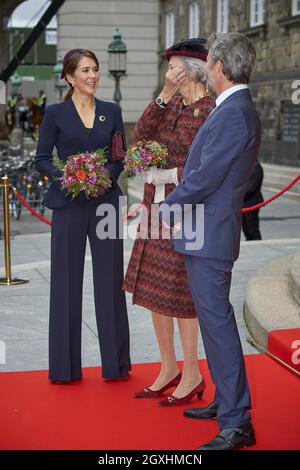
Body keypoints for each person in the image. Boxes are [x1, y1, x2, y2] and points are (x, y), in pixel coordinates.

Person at [160, 32, 260, 449]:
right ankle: (226, 399)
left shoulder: (234, 112)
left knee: (217, 324)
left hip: (211, 233)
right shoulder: (233, 108)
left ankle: (237, 423)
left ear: (219, 68)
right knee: (216, 321)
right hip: (208, 230)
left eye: (209, 64)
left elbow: (205, 176)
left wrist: (167, 207)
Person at [123, 39, 214, 406]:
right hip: (154, 208)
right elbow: (141, 135)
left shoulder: (209, 109)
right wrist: (163, 93)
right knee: (153, 293)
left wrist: (170, 174)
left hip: (185, 211)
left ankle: (191, 373)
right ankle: (168, 368)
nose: (170, 72)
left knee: (179, 294)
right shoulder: (172, 101)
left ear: (192, 70)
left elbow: (206, 165)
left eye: (174, 66)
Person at [35, 48, 131, 383]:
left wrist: (101, 175)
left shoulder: (111, 111)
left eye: (95, 69)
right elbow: (42, 158)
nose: (92, 76)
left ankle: (116, 366)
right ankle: (64, 368)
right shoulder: (55, 114)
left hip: (105, 204)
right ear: (70, 76)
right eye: (84, 70)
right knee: (64, 284)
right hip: (68, 205)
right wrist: (70, 178)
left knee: (110, 284)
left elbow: (120, 157)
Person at [242, 160, 264, 240]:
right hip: (244, 203)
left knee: (253, 230)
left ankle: (258, 247)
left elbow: (251, 187)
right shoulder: (248, 166)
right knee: (246, 229)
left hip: (251, 202)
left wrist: (238, 193)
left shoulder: (255, 167)